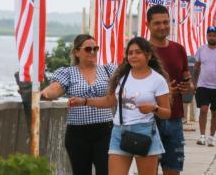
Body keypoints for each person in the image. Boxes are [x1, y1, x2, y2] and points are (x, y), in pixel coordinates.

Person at [69, 37, 171, 175]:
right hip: (119, 131)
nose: (133, 56)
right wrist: (85, 101)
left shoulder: (157, 80)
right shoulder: (122, 76)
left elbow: (166, 113)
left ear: (148, 55)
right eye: (130, 53)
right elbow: (109, 101)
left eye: (138, 52)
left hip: (145, 131)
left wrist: (154, 108)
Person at [40, 34, 116, 175]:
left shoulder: (107, 70)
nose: (93, 52)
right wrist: (41, 94)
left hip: (105, 131)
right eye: (88, 49)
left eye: (95, 48)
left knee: (106, 171)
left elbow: (127, 83)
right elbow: (55, 89)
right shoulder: (68, 73)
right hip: (78, 133)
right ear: (76, 52)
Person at [145, 5, 193, 175]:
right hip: (148, 121)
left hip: (175, 120)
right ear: (148, 25)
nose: (163, 26)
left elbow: (188, 81)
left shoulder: (179, 49)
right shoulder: (141, 51)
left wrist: (188, 87)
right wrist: (166, 93)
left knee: (173, 171)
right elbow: (131, 87)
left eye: (166, 22)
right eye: (157, 23)